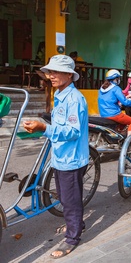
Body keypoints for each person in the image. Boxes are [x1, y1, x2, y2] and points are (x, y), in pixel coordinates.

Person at [23, 55, 89, 259]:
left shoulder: (75, 98)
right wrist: (44, 126)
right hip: (60, 156)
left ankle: (72, 239)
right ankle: (78, 224)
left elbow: (73, 131)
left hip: (72, 159)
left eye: (55, 72)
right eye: (49, 72)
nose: (50, 75)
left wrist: (44, 128)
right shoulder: (59, 94)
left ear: (69, 75)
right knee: (64, 196)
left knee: (69, 200)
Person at [98, 69, 131, 136]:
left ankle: (118, 135)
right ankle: (128, 141)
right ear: (115, 79)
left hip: (103, 114)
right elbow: (125, 102)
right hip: (114, 114)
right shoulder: (116, 88)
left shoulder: (102, 88)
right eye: (119, 78)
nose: (119, 80)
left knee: (123, 121)